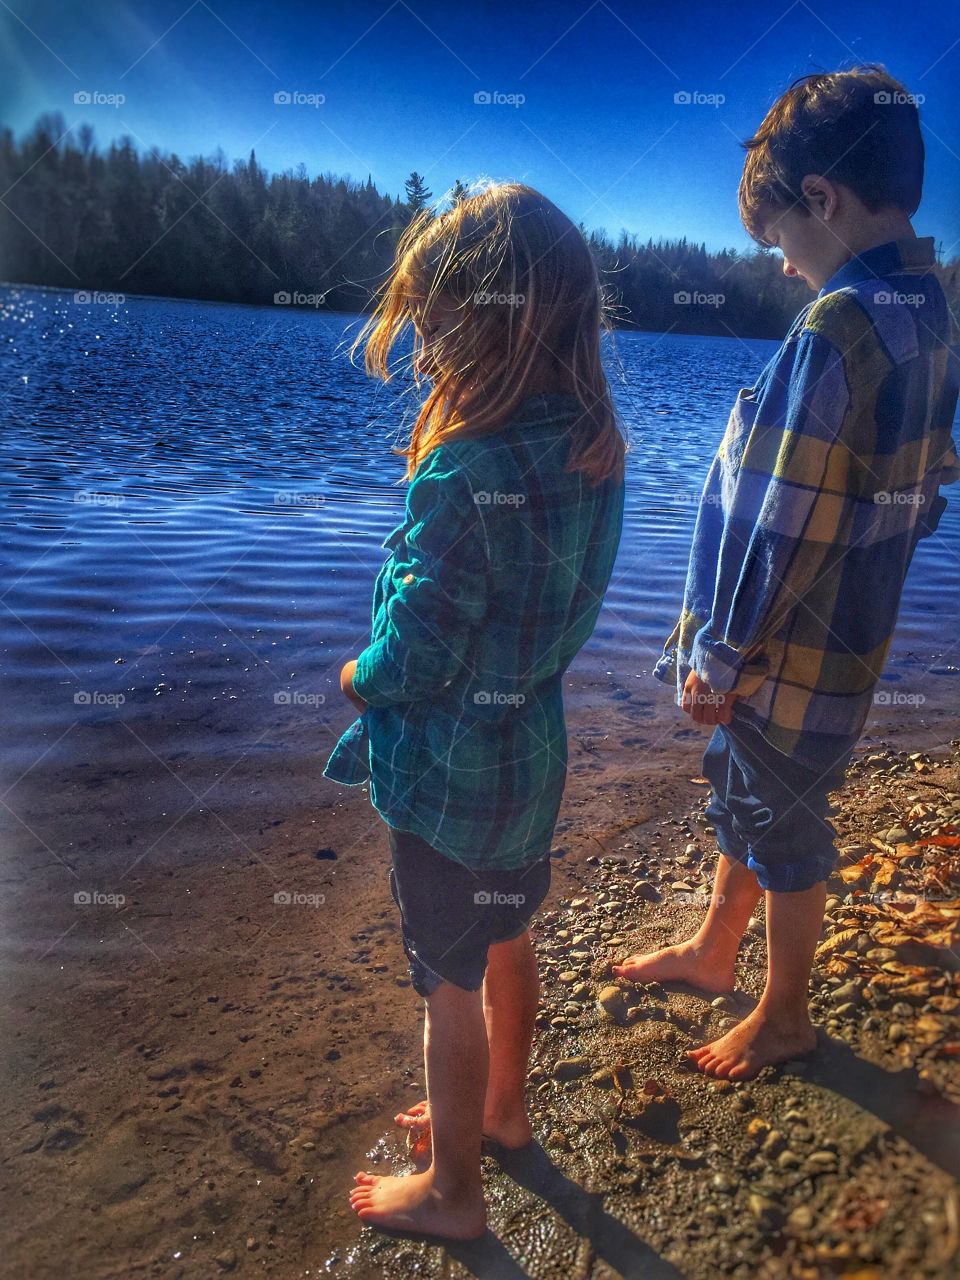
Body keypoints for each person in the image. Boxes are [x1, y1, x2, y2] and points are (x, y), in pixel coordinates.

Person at [614, 65, 960, 1081]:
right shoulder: (934, 315)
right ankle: (718, 948)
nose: (786, 268)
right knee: (755, 790)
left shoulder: (839, 327)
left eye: (783, 242)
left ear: (823, 200)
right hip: (853, 635)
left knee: (784, 820)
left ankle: (786, 1013)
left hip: (781, 648)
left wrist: (720, 657)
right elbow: (928, 487)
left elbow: (781, 519)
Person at [323, 181, 626, 1238]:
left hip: (448, 776)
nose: (424, 339)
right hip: (529, 757)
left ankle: (454, 1193)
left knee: (446, 982)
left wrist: (360, 675)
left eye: (435, 315)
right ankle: (503, 1109)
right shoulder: (597, 449)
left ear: (484, 320)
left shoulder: (462, 467)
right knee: (508, 935)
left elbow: (422, 645)